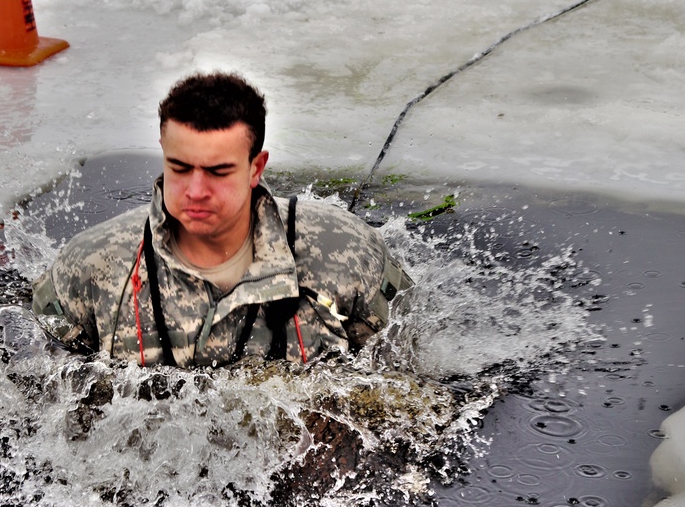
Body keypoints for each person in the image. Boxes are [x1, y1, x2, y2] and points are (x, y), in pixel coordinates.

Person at [31, 71, 411, 368]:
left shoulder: (345, 254)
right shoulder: (91, 267)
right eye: (179, 168)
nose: (195, 190)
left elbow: (407, 372)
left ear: (255, 168)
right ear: (163, 152)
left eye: (218, 172)